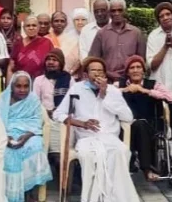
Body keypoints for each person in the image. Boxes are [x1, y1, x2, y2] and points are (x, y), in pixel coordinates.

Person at [53, 57, 139, 202]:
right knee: (89, 155)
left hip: (110, 138)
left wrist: (105, 95)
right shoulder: (77, 89)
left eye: (100, 71)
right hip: (86, 138)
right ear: (86, 74)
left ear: (105, 75)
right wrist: (81, 123)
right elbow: (58, 114)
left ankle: (115, 197)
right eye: (93, 70)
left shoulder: (112, 91)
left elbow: (128, 116)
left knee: (121, 151)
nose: (97, 74)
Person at [0, 71, 52, 202]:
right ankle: (9, 194)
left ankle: (30, 192)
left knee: (35, 147)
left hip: (29, 133)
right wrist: (6, 136)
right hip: (6, 132)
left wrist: (26, 136)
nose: (22, 90)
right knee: (7, 151)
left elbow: (37, 121)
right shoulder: (3, 99)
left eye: (26, 86)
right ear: (12, 86)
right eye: (18, 86)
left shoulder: (33, 99)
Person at [119, 55, 172, 180]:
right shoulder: (120, 84)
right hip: (126, 126)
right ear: (127, 72)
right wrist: (125, 89)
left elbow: (171, 98)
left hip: (151, 126)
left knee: (141, 124)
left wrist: (145, 91)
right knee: (132, 126)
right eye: (132, 68)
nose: (135, 70)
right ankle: (137, 166)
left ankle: (146, 168)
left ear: (143, 70)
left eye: (138, 67)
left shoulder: (153, 84)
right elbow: (107, 92)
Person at [146, 2, 172, 167]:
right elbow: (152, 65)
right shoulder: (153, 36)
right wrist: (165, 45)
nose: (165, 18)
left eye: (168, 14)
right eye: (161, 16)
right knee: (159, 129)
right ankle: (160, 164)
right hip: (159, 90)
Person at [89, 0, 146, 82]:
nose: (116, 13)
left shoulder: (136, 33)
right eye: (113, 11)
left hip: (131, 81)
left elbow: (141, 59)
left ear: (125, 11)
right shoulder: (101, 33)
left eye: (120, 10)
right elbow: (94, 59)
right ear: (109, 13)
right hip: (107, 80)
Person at [33, 48, 74, 154]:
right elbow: (35, 103)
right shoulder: (39, 80)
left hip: (64, 120)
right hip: (46, 120)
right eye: (48, 59)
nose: (50, 62)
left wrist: (60, 112)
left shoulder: (69, 80)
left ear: (61, 63)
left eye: (54, 60)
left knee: (62, 153)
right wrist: (47, 112)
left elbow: (73, 102)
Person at [7, 16, 54, 81]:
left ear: (38, 27)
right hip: (21, 83)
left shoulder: (46, 43)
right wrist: (9, 88)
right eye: (28, 26)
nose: (31, 28)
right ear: (24, 28)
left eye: (34, 25)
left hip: (41, 82)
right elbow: (11, 68)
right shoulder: (18, 44)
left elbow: (53, 63)